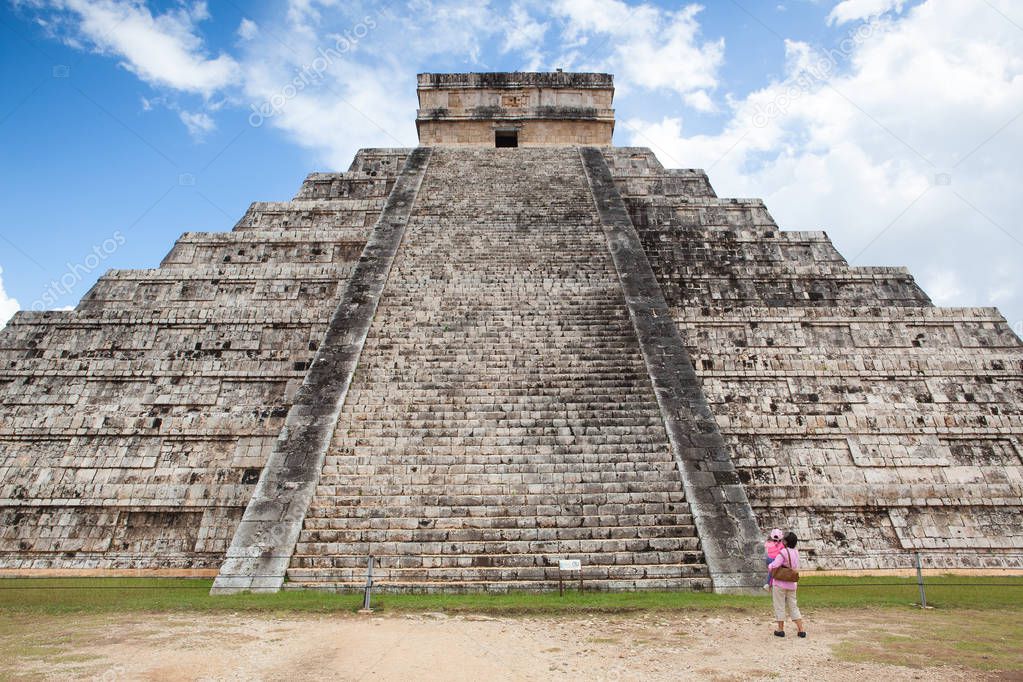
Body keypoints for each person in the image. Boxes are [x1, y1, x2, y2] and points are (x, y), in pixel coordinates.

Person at [768, 531, 806, 638]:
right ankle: (801, 629)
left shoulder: (783, 552)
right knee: (793, 606)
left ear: (786, 542)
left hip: (780, 583)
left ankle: (780, 629)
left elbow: (775, 565)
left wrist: (770, 566)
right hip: (792, 583)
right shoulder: (796, 552)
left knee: (779, 605)